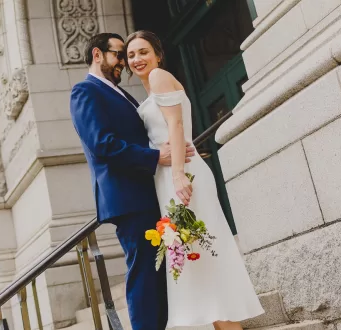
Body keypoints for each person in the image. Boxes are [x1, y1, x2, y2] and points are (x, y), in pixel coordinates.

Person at [124, 30, 265, 330]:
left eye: (143, 52)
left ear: (158, 55)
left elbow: (175, 124)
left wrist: (177, 175)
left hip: (182, 176)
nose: (137, 59)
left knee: (202, 258)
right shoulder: (150, 91)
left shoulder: (161, 76)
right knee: (193, 260)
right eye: (131, 55)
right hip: (168, 179)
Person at [69, 33, 195, 330]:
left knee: (159, 272)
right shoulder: (85, 91)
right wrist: (155, 157)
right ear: (97, 54)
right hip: (128, 197)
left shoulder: (119, 92)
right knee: (144, 275)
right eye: (119, 55)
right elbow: (103, 144)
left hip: (147, 191)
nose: (123, 63)